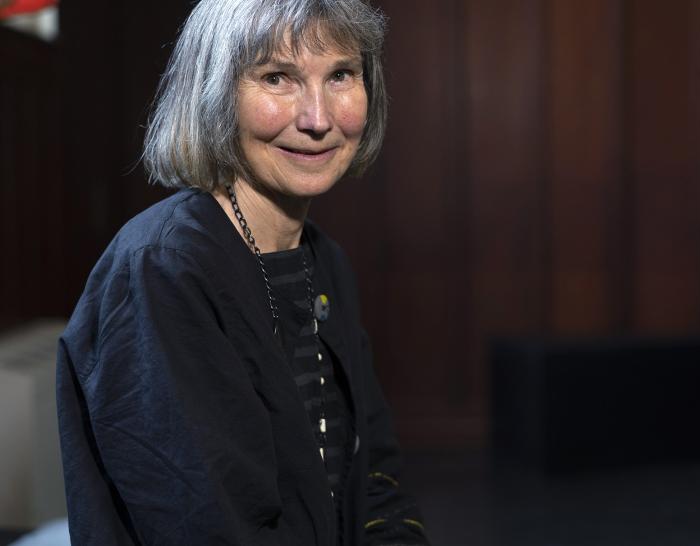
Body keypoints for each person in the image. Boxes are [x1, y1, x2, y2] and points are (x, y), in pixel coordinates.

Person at [56, 0, 430, 544]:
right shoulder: (163, 270)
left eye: (341, 75)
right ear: (214, 95)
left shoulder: (324, 263)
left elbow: (374, 478)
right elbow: (205, 526)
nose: (318, 118)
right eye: (277, 78)